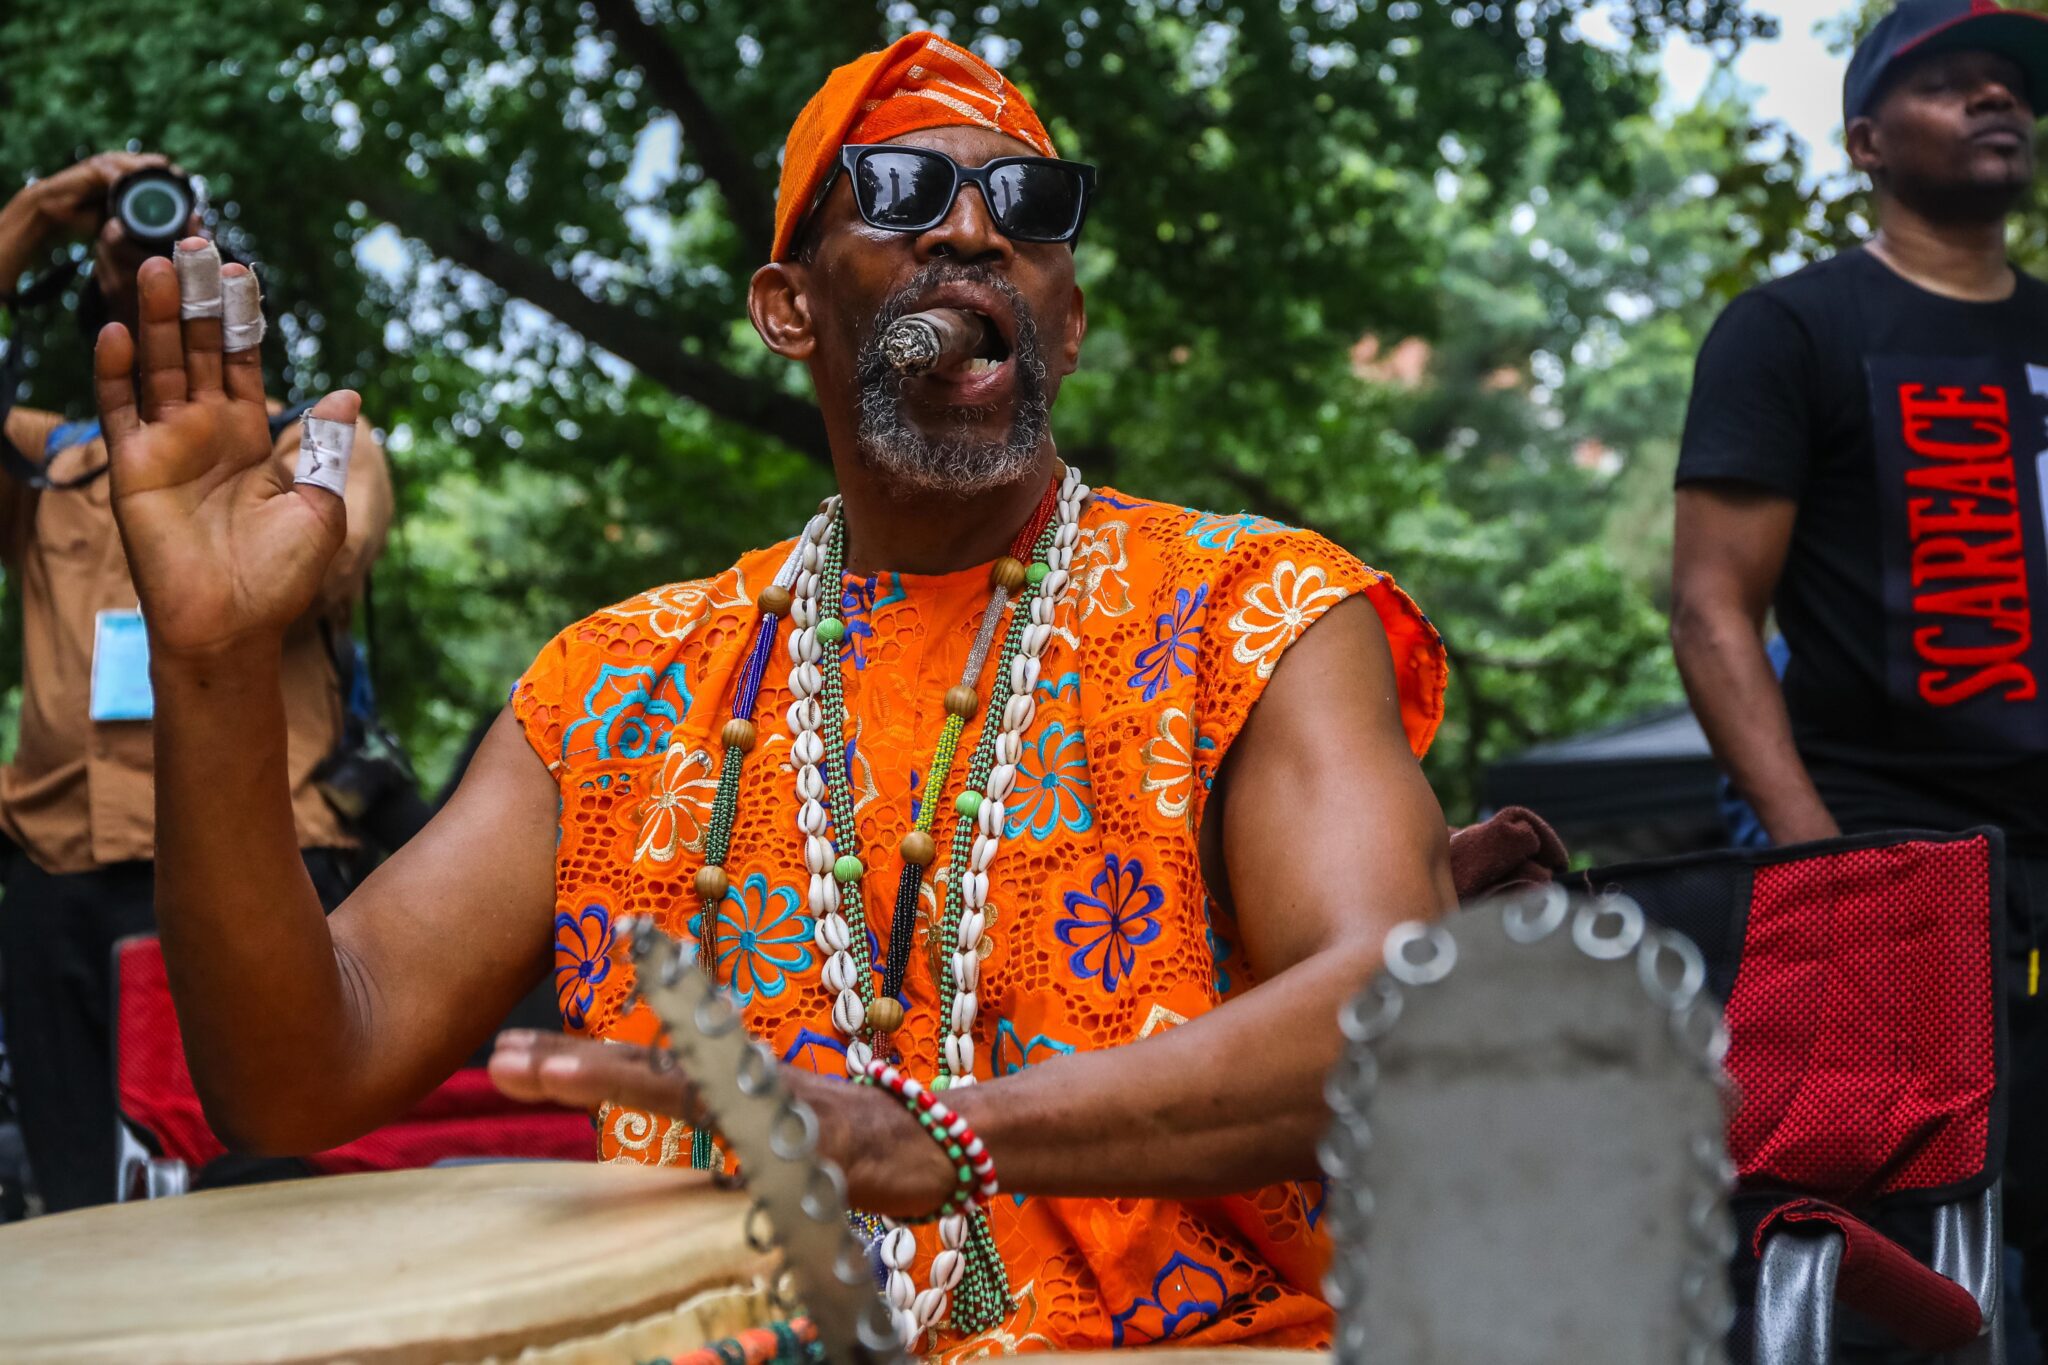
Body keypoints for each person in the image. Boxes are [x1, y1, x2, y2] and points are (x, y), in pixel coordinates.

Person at [89, 31, 1453, 1359]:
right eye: (906, 192)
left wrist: (948, 1133)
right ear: (789, 310)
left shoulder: (1256, 611)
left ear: (1069, 321)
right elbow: (295, 1076)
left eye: (1029, 210)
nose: (976, 233)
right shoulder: (615, 687)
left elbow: (1398, 1003)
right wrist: (212, 665)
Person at [1669, 0, 2048, 1343]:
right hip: (1891, 861)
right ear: (1867, 140)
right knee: (1897, 1275)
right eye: (1953, 83)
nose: (1996, 101)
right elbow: (1713, 608)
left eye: (2010, 85)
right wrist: (1819, 859)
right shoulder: (1793, 331)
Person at [0, 152, 393, 1211]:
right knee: (81, 1208)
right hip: (63, 872)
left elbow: (331, 553)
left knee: (274, 1192)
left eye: (184, 239)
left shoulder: (321, 444)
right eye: (128, 241)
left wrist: (236, 485)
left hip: (272, 865)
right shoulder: (44, 464)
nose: (152, 254)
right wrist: (35, 217)